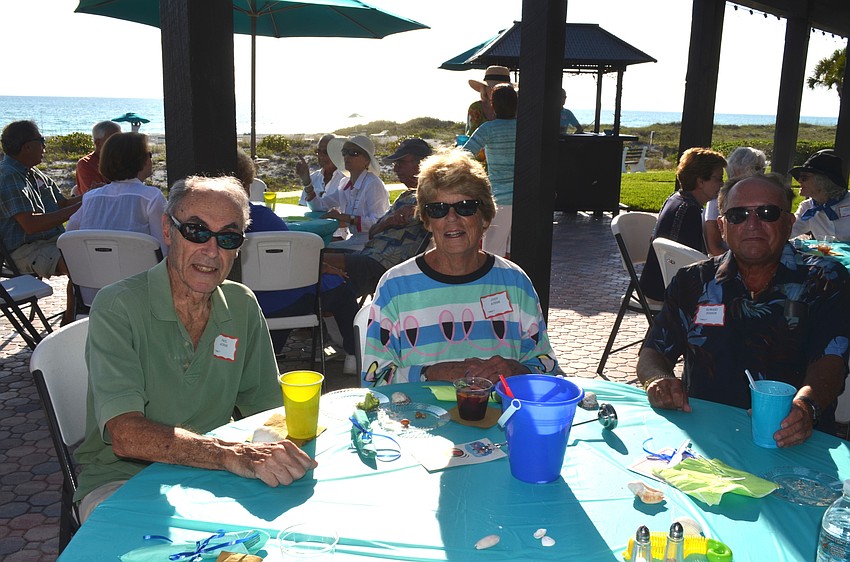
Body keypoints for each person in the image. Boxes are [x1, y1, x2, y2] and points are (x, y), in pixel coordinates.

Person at [73, 175, 317, 522]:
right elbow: (124, 434)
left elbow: (267, 407)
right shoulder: (118, 306)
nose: (211, 250)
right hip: (125, 479)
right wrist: (228, 454)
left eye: (228, 237)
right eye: (197, 231)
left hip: (214, 475)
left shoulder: (241, 304)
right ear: (168, 231)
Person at [637, 173, 850, 446]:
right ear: (723, 226)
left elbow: (831, 360)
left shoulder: (825, 278)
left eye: (767, 213)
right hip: (707, 436)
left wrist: (806, 407)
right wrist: (658, 380)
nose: (752, 224)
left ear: (789, 223)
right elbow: (654, 351)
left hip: (794, 438)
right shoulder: (693, 281)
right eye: (738, 215)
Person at [361, 149, 559, 387]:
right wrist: (429, 373)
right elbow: (373, 380)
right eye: (438, 209)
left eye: (465, 207)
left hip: (500, 419)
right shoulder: (396, 286)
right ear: (427, 221)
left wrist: (516, 369)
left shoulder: (514, 281)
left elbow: (547, 368)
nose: (452, 218)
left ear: (485, 217)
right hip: (421, 419)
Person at [235, 150, 359, 373]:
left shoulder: (210, 222)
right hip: (284, 302)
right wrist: (326, 267)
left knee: (285, 287)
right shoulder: (261, 216)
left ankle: (271, 353)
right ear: (246, 184)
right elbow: (296, 259)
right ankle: (353, 355)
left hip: (243, 303)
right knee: (341, 285)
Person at [322, 138, 432, 299]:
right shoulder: (405, 196)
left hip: (384, 264)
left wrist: (420, 209)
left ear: (423, 164)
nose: (395, 169)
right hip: (369, 255)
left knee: (314, 261)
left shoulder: (432, 199)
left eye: (400, 163)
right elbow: (373, 230)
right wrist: (388, 221)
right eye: (345, 153)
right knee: (324, 274)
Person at [66, 132, 166, 306]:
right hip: (141, 295)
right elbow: (164, 250)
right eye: (149, 155)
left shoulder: (90, 198)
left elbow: (70, 238)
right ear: (140, 161)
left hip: (95, 295)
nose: (151, 159)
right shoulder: (151, 198)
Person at [0, 120, 81, 321]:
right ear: (27, 146)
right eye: (41, 140)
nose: (45, 146)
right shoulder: (9, 176)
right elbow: (31, 225)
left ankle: (79, 315)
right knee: (81, 265)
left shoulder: (33, 172)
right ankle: (70, 322)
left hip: (47, 242)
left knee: (92, 253)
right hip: (23, 249)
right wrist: (79, 208)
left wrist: (94, 195)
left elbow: (61, 204)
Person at [638, 147, 726, 302]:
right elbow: (693, 265)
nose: (721, 184)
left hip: (653, 284)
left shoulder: (676, 199)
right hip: (666, 291)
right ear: (700, 181)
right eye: (718, 178)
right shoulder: (689, 212)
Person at [463, 83, 517, 258]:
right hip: (524, 199)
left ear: (493, 105)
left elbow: (464, 154)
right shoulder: (524, 128)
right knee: (514, 253)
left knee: (492, 253)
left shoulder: (488, 129)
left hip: (499, 199)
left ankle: (493, 286)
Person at [303, 135, 389, 244]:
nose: (347, 156)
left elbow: (377, 222)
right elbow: (320, 206)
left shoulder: (373, 184)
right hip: (355, 241)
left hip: (371, 243)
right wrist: (307, 182)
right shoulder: (345, 184)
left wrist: (343, 217)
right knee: (318, 249)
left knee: (320, 253)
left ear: (366, 160)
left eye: (354, 153)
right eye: (345, 152)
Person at [703, 147, 766, 255]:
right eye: (757, 169)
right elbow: (714, 248)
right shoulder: (718, 199)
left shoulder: (765, 197)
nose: (761, 173)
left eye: (761, 169)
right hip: (727, 262)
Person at [789, 150, 850, 241]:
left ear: (822, 181)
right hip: (826, 255)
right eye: (799, 178)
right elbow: (787, 232)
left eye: (804, 178)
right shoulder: (807, 207)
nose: (799, 181)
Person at [295, 134, 345, 207]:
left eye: (326, 152)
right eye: (318, 151)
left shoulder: (345, 180)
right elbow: (302, 208)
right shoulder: (312, 178)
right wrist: (307, 183)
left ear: (338, 154)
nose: (321, 156)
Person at [75, 120, 122, 195]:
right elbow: (96, 196)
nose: (119, 143)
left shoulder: (122, 161)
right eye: (113, 140)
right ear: (98, 143)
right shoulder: (86, 164)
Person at [466, 65, 513, 137]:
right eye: (492, 87)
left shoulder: (514, 108)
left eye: (500, 89)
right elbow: (471, 135)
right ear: (484, 88)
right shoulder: (476, 108)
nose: (495, 91)